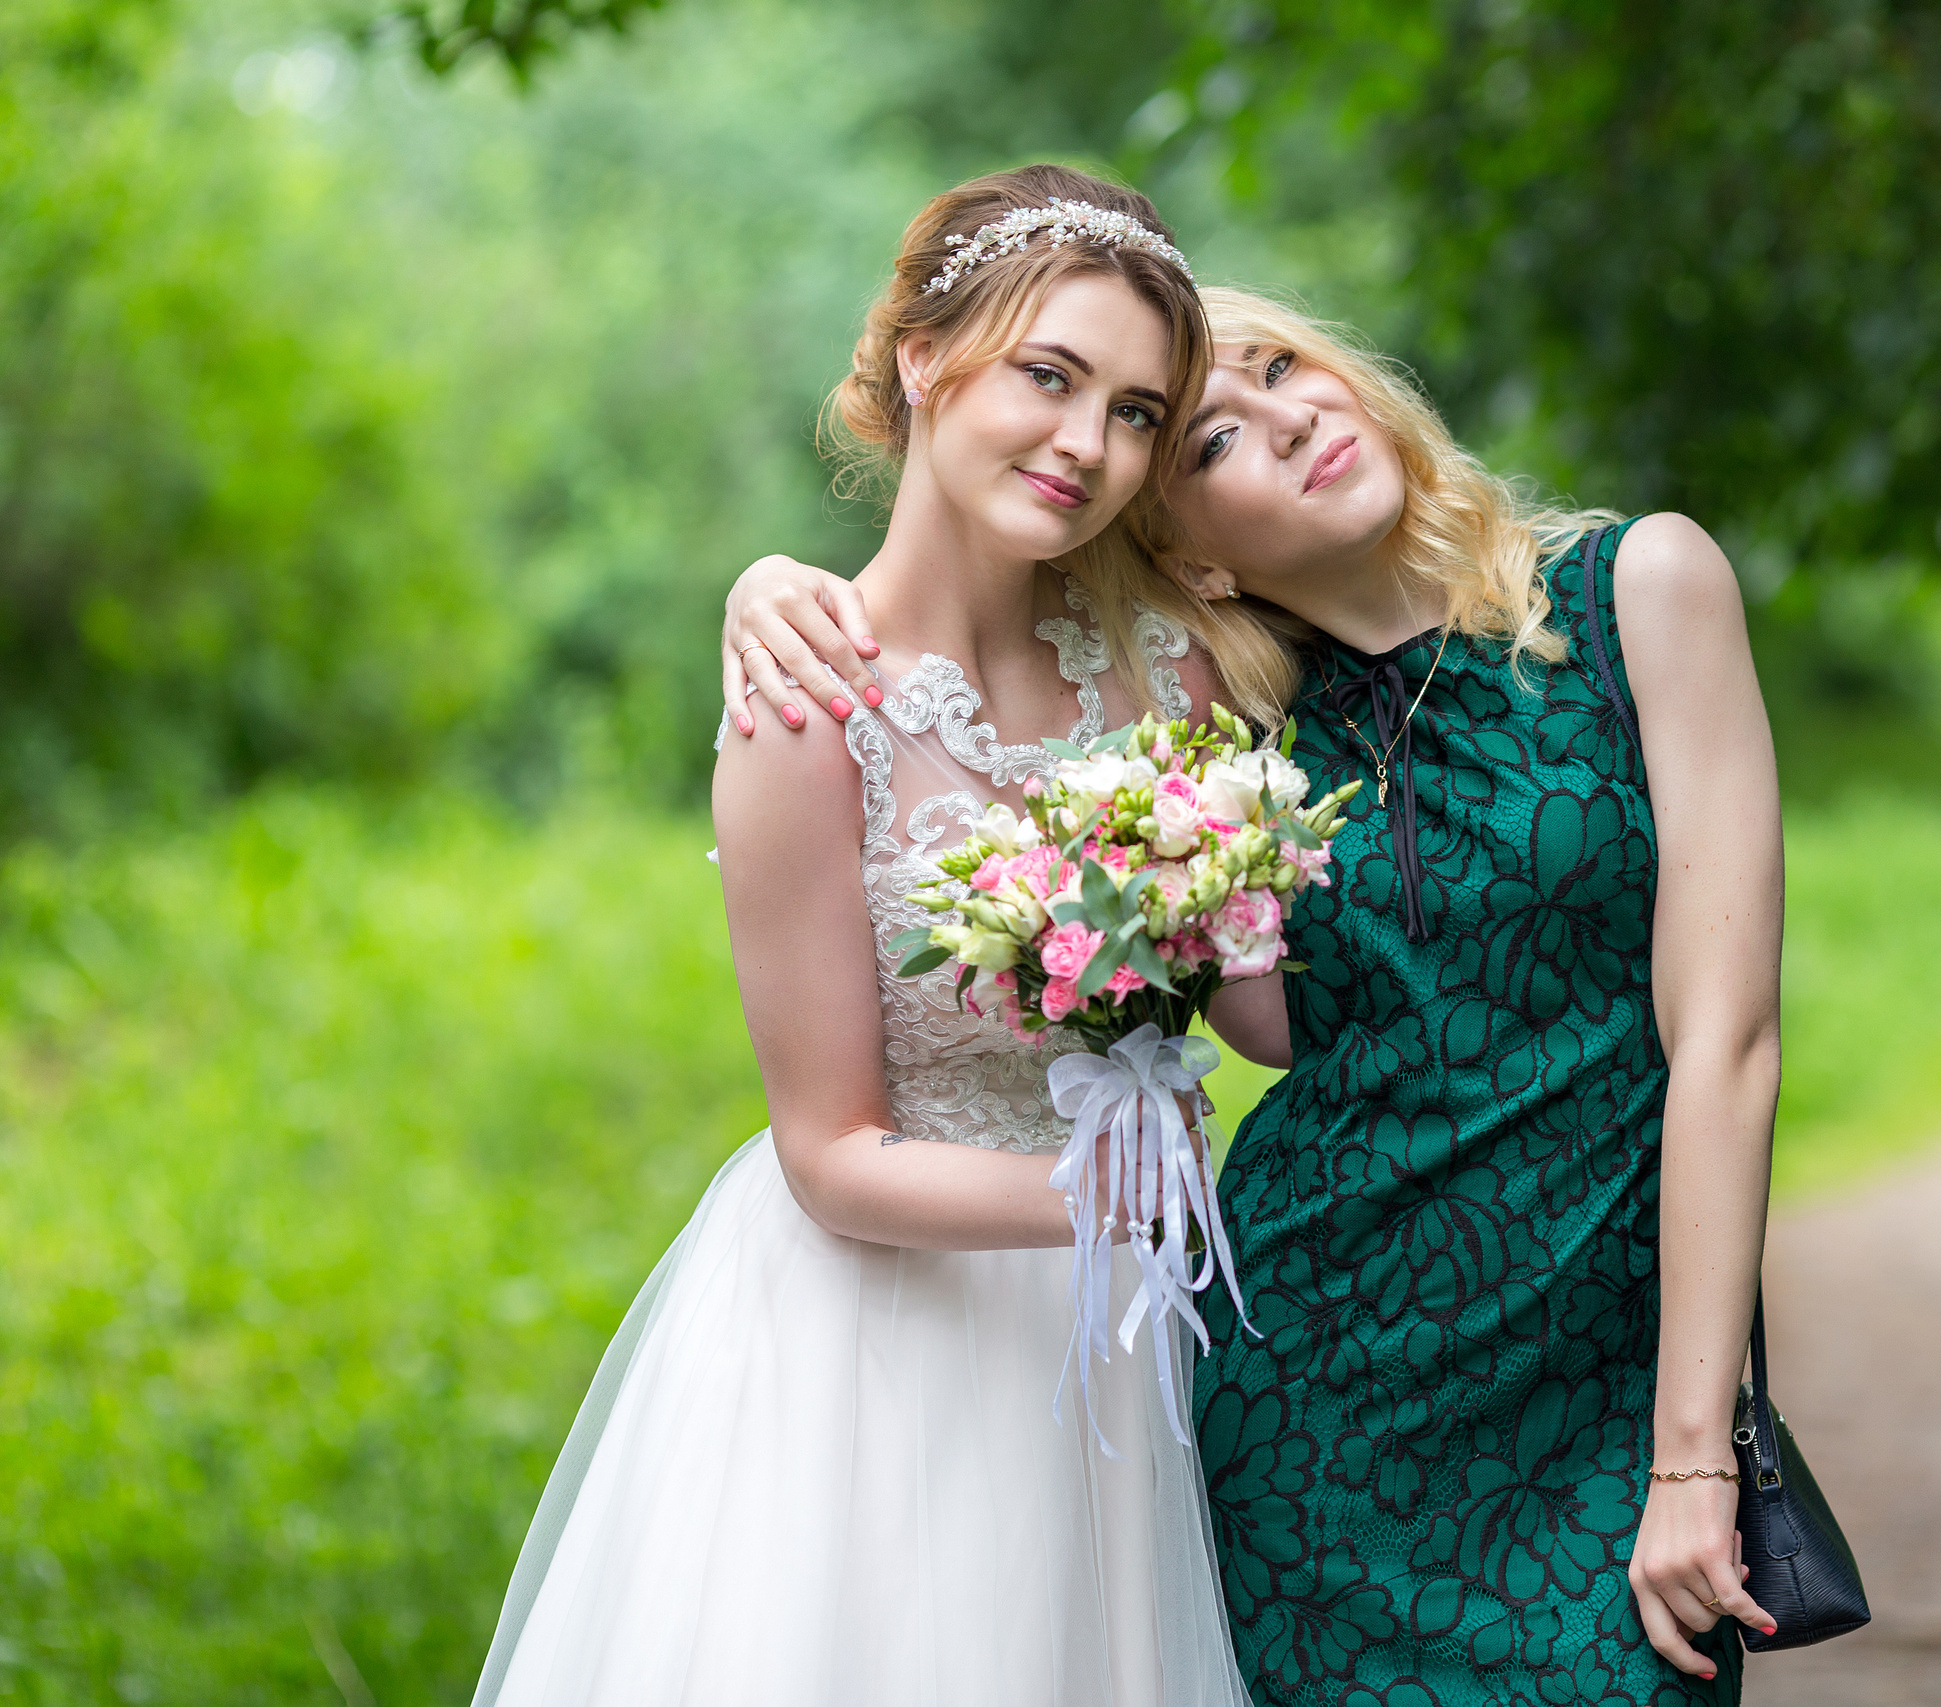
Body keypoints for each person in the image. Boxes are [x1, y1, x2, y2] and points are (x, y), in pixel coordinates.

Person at [722, 287, 1784, 1705]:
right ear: (1189, 559)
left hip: (1601, 1394)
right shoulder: (1215, 711)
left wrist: (1694, 1455)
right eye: (1217, 438)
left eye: (1288, 366)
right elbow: (971, 630)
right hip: (1306, 1396)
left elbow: (1724, 1046)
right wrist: (773, 583)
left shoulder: (1638, 591)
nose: (1294, 416)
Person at [473, 165, 1254, 1707]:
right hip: (885, 1338)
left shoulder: (1177, 671)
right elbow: (829, 1154)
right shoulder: (803, 703)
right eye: (1049, 375)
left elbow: (1261, 988)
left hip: (1113, 1344)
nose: (1087, 444)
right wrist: (1123, 1204)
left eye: (1138, 413)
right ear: (923, 356)